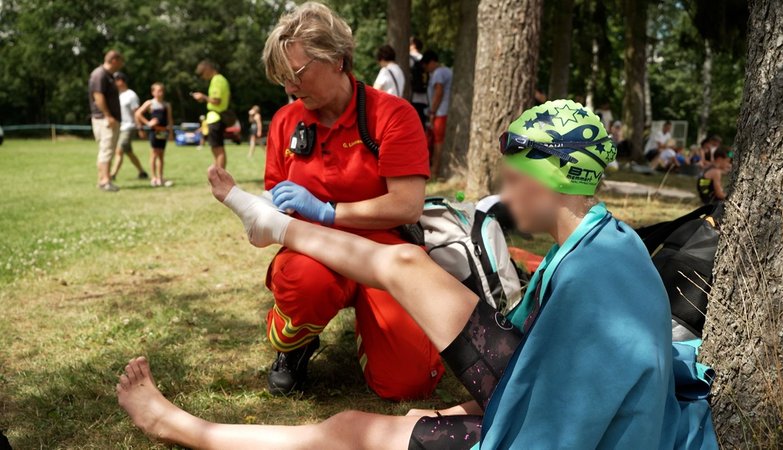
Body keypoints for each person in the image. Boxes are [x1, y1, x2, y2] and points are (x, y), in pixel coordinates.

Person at [118, 100, 709, 449]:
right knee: (404, 261)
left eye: (511, 176)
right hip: (549, 399)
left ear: (548, 181)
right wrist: (481, 406)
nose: (503, 190)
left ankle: (181, 428)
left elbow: (571, 423)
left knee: (350, 430)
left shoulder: (593, 273)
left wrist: (491, 421)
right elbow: (568, 369)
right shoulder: (605, 240)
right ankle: (273, 225)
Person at [258, 2, 441, 400]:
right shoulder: (286, 122)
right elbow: (274, 196)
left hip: (384, 249)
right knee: (304, 284)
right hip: (314, 249)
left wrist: (329, 211)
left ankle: (372, 328)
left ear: (338, 60)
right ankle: (293, 345)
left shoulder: (392, 115)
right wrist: (261, 209)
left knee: (410, 384)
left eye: (297, 74)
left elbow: (407, 206)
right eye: (282, 79)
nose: (289, 88)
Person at [88, 50, 125, 192]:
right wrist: (108, 116)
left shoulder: (108, 75)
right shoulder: (100, 74)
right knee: (106, 151)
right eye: (121, 61)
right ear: (114, 60)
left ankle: (102, 179)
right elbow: (98, 96)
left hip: (106, 119)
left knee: (106, 150)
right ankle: (105, 181)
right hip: (105, 120)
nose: (122, 64)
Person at [110, 72, 149, 181]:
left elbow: (136, 113)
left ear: (121, 81)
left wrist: (140, 128)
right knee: (128, 152)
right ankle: (142, 172)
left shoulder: (131, 95)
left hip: (129, 127)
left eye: (115, 80)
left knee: (119, 150)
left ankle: (112, 174)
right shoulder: (118, 95)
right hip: (120, 127)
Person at [192, 60, 230, 168]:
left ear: (208, 69)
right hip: (217, 118)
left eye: (202, 73)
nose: (202, 77)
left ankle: (220, 177)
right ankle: (218, 175)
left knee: (218, 149)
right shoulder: (220, 79)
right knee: (216, 148)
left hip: (216, 118)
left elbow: (216, 101)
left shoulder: (217, 80)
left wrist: (203, 97)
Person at [135, 83, 174, 187]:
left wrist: (170, 133)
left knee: (161, 155)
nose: (160, 93)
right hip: (154, 132)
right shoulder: (150, 103)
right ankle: (153, 178)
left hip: (163, 132)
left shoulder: (166, 105)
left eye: (162, 90)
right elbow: (138, 113)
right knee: (154, 154)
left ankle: (160, 178)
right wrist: (148, 123)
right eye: (158, 91)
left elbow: (169, 120)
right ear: (153, 92)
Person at [421, 50, 453, 178]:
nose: (427, 70)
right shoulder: (447, 71)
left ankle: (435, 170)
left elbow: (438, 92)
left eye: (426, 66)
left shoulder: (438, 73)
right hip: (442, 111)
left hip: (440, 112)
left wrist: (432, 111)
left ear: (432, 62)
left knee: (437, 142)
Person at [409, 36, 428, 125]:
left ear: (413, 45)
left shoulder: (409, 58)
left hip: (413, 95)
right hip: (424, 96)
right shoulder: (423, 58)